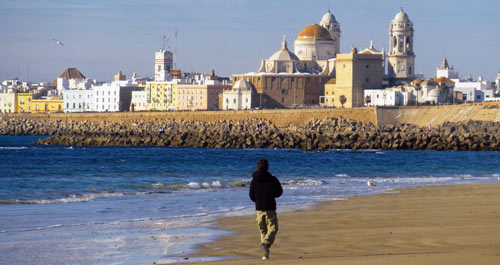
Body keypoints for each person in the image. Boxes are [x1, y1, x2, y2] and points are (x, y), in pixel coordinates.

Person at [249, 158, 283, 260]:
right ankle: (265, 244)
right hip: (270, 207)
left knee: (263, 229)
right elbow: (279, 192)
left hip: (259, 208)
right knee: (272, 228)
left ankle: (265, 254)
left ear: (257, 166)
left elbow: (251, 195)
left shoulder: (254, 180)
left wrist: (258, 200)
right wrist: (271, 195)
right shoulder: (272, 179)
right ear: (267, 167)